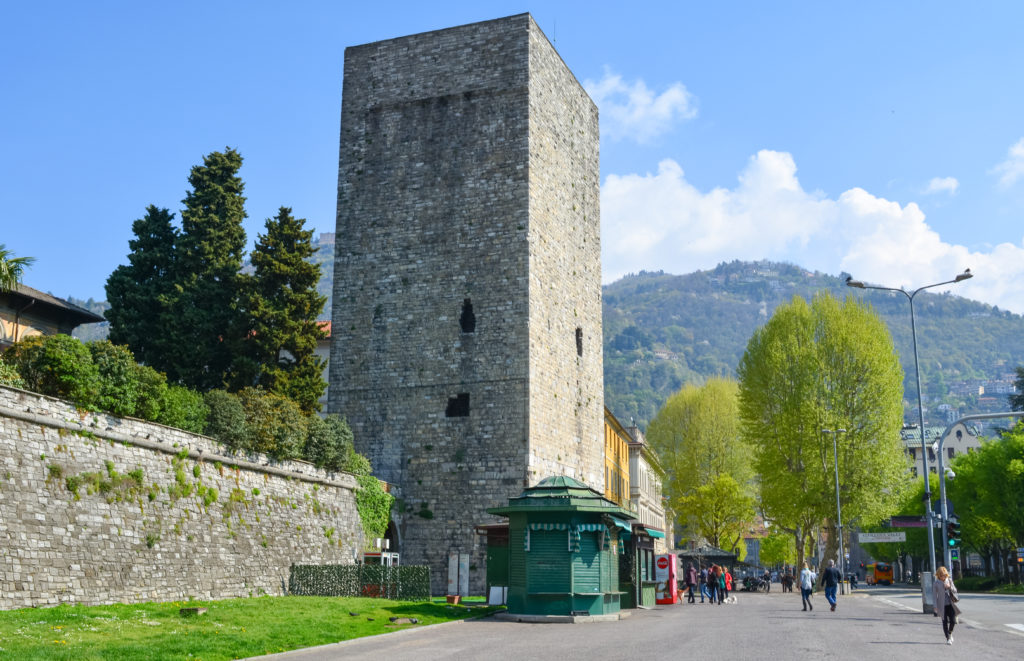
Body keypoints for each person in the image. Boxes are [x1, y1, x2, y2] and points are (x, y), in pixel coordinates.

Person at [932, 566, 961, 645]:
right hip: (942, 605)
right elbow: (934, 596)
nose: (943, 577)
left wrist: (949, 587)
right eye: (941, 575)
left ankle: (950, 633)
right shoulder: (936, 583)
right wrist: (935, 607)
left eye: (944, 575)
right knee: (944, 622)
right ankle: (948, 638)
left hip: (950, 604)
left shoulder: (949, 580)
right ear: (938, 575)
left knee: (953, 621)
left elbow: (955, 590)